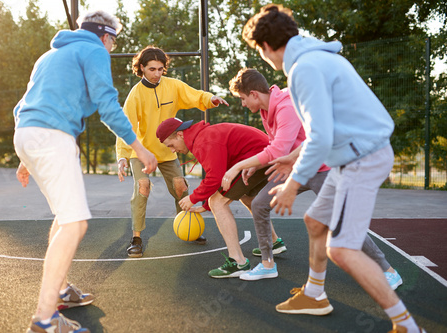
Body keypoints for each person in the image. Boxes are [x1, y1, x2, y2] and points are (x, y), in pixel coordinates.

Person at [242, 5, 423, 333]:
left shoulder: (304, 69)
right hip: (353, 155)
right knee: (315, 221)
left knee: (341, 248)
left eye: (259, 50)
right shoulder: (315, 59)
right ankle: (314, 295)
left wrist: (293, 184)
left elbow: (322, 137)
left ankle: (408, 326)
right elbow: (321, 131)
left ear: (266, 47)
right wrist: (294, 158)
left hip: (362, 158)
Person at [14, 10, 157, 333]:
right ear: (106, 36)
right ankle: (45, 318)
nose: (111, 47)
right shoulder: (93, 50)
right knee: (75, 224)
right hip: (53, 136)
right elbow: (107, 104)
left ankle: (61, 289)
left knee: (65, 216)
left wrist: (25, 154)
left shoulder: (49, 55)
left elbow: (20, 107)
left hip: (27, 134)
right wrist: (139, 147)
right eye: (114, 41)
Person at [225, 68, 403, 288]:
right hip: (295, 169)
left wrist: (239, 166)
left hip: (321, 168)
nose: (242, 104)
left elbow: (280, 149)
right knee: (260, 203)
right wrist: (254, 165)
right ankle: (268, 264)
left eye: (242, 99)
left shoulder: (286, 107)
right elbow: (279, 146)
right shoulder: (266, 110)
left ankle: (389, 271)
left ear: (254, 94)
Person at [116, 46, 228, 258]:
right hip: (141, 153)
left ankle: (189, 227)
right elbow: (125, 126)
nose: (157, 74)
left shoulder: (173, 86)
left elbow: (194, 95)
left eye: (160, 69)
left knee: (180, 187)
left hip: (167, 152)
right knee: (143, 186)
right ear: (142, 68)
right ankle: (136, 238)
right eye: (152, 69)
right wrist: (122, 155)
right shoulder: (135, 95)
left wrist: (210, 99)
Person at [156, 118, 269, 278]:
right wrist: (206, 205)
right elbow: (220, 174)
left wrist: (194, 198)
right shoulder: (202, 136)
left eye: (171, 145)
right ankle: (273, 242)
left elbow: (215, 177)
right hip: (263, 152)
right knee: (245, 197)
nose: (173, 150)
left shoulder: (204, 141)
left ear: (180, 135)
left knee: (218, 202)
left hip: (259, 156)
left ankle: (238, 262)